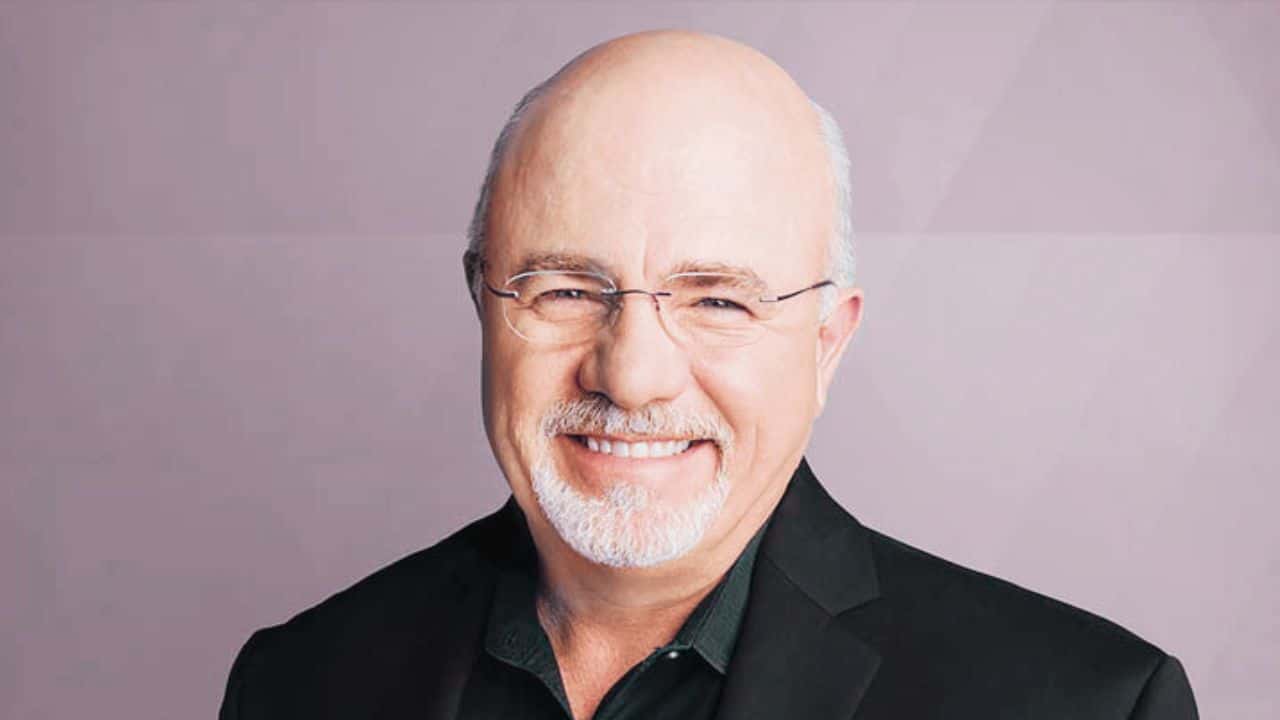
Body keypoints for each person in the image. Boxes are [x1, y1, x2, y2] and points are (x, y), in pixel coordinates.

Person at [218, 29, 1198, 719]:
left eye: (718, 301)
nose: (633, 375)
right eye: (566, 289)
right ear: (484, 303)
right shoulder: (296, 683)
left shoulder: (1086, 705)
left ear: (826, 341)